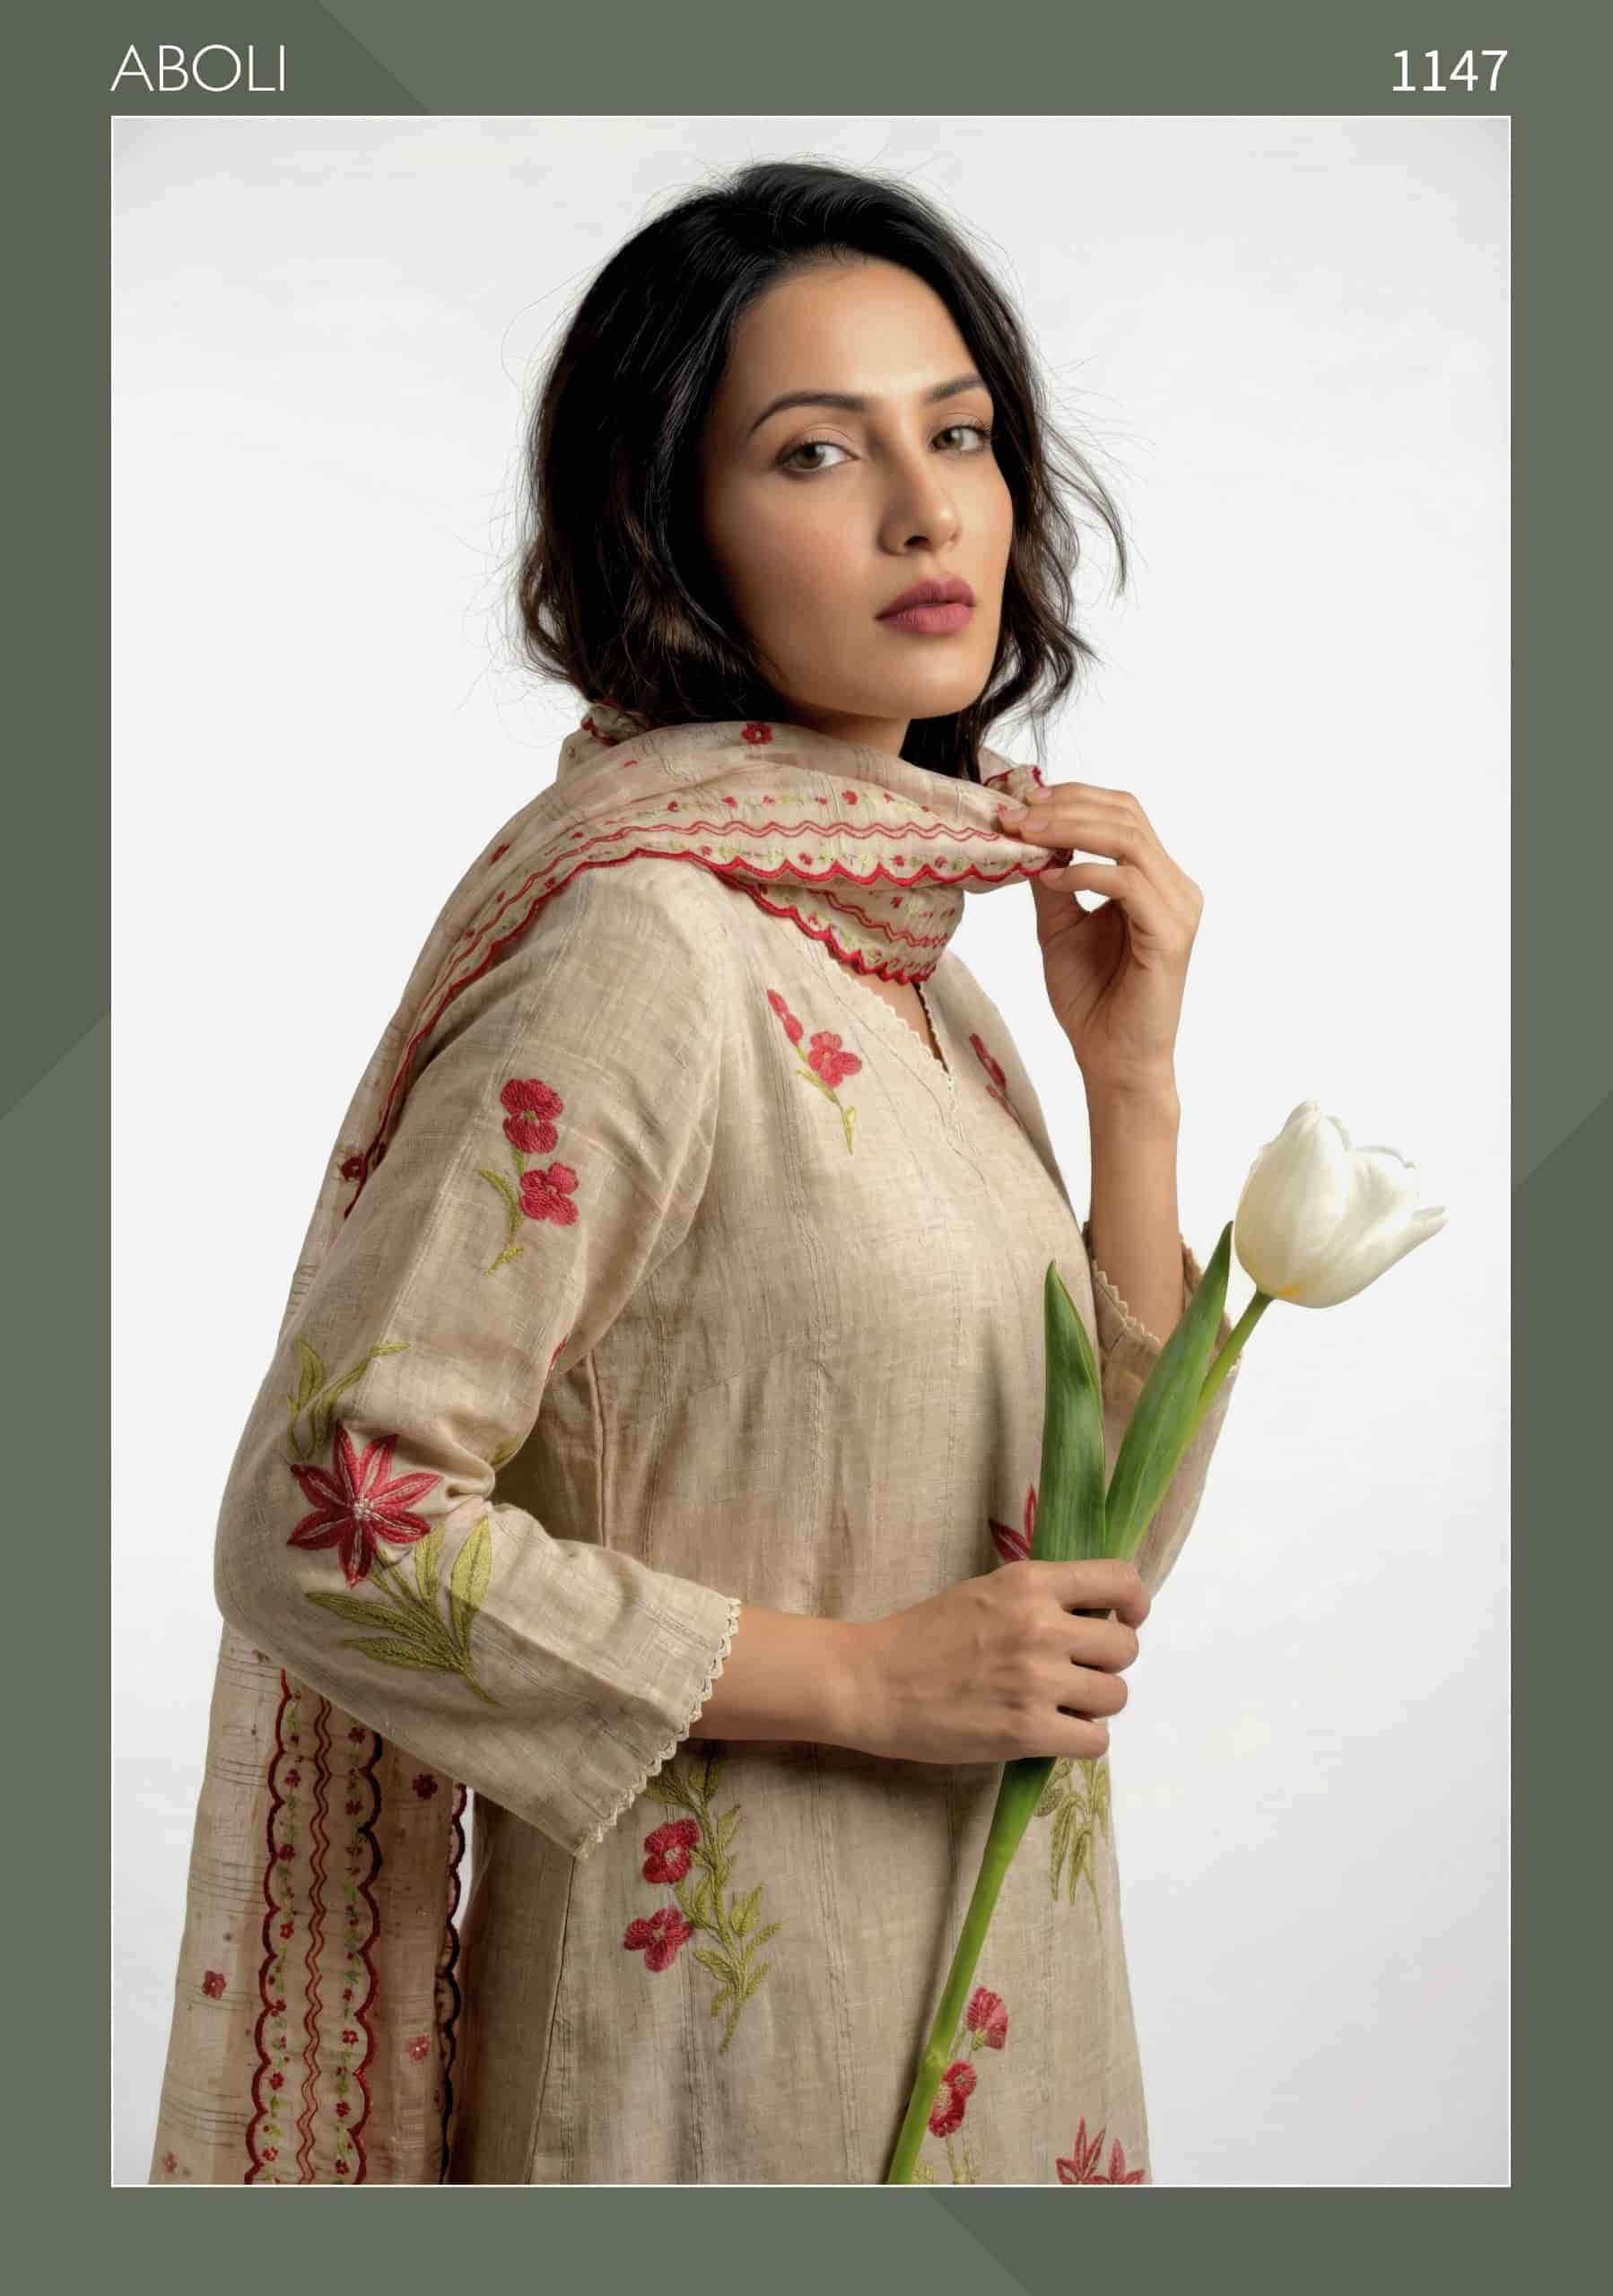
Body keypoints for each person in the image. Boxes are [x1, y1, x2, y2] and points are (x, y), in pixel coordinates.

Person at [148, 157, 1239, 2188]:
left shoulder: (929, 976)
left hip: (1004, 2029)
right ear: (669, 525)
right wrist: (858, 1678)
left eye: (960, 434)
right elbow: (320, 1518)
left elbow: (1100, 1574)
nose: (926, 510)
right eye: (817, 451)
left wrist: (1134, 1088)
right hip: (712, 2084)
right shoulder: (646, 943)